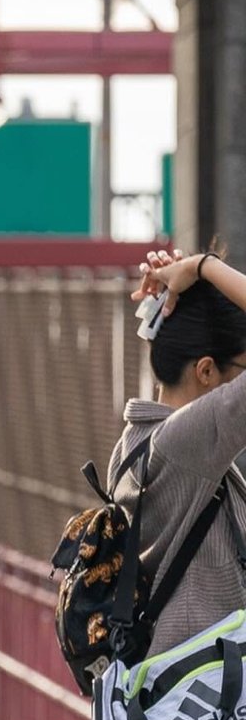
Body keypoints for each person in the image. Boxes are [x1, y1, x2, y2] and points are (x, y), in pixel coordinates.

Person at [112, 247, 246, 658]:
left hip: (195, 692)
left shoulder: (134, 445)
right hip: (216, 699)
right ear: (206, 371)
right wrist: (203, 266)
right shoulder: (183, 441)